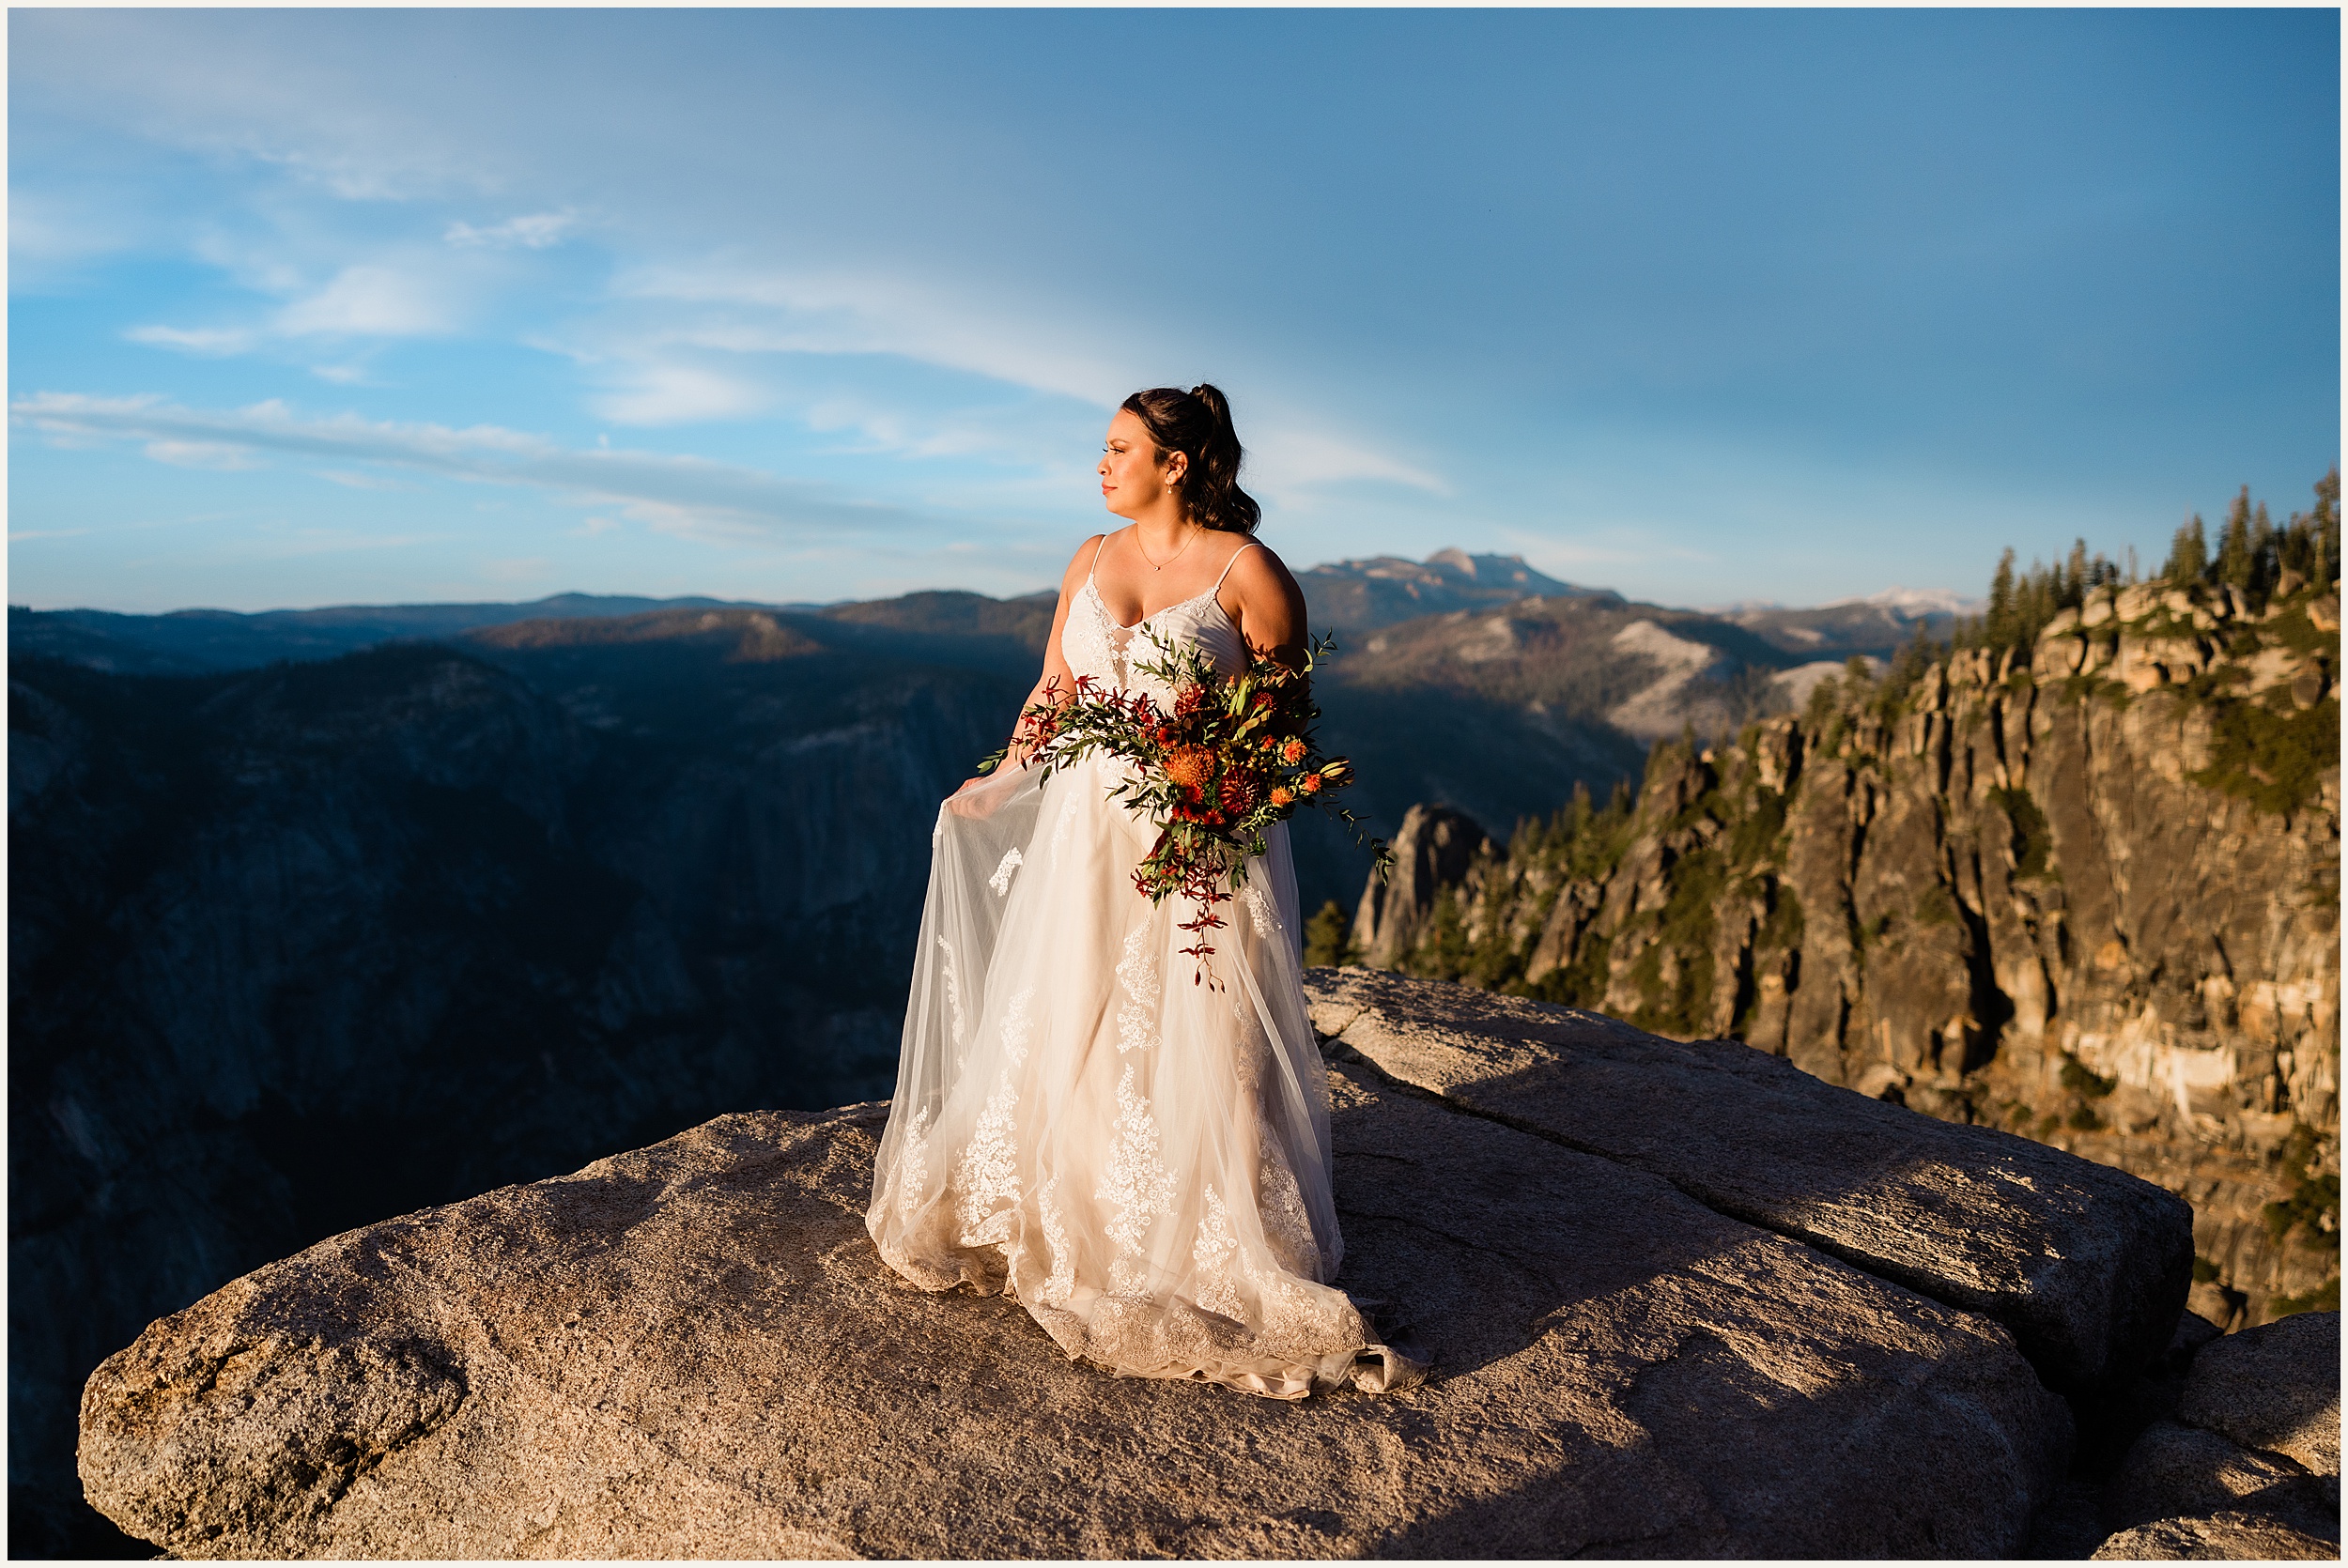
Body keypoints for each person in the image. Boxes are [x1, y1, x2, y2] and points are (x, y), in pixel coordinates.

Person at [866, 384, 1422, 1399]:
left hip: (1193, 840)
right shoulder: (1089, 557)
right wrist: (996, 780)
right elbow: (1058, 690)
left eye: (1118, 447)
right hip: (1085, 830)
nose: (1100, 463)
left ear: (1176, 462)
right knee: (1069, 1004)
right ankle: (1067, 1188)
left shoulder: (1252, 576)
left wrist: (1221, 793)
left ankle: (1191, 1221)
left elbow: (1284, 731)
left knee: (1186, 1022)